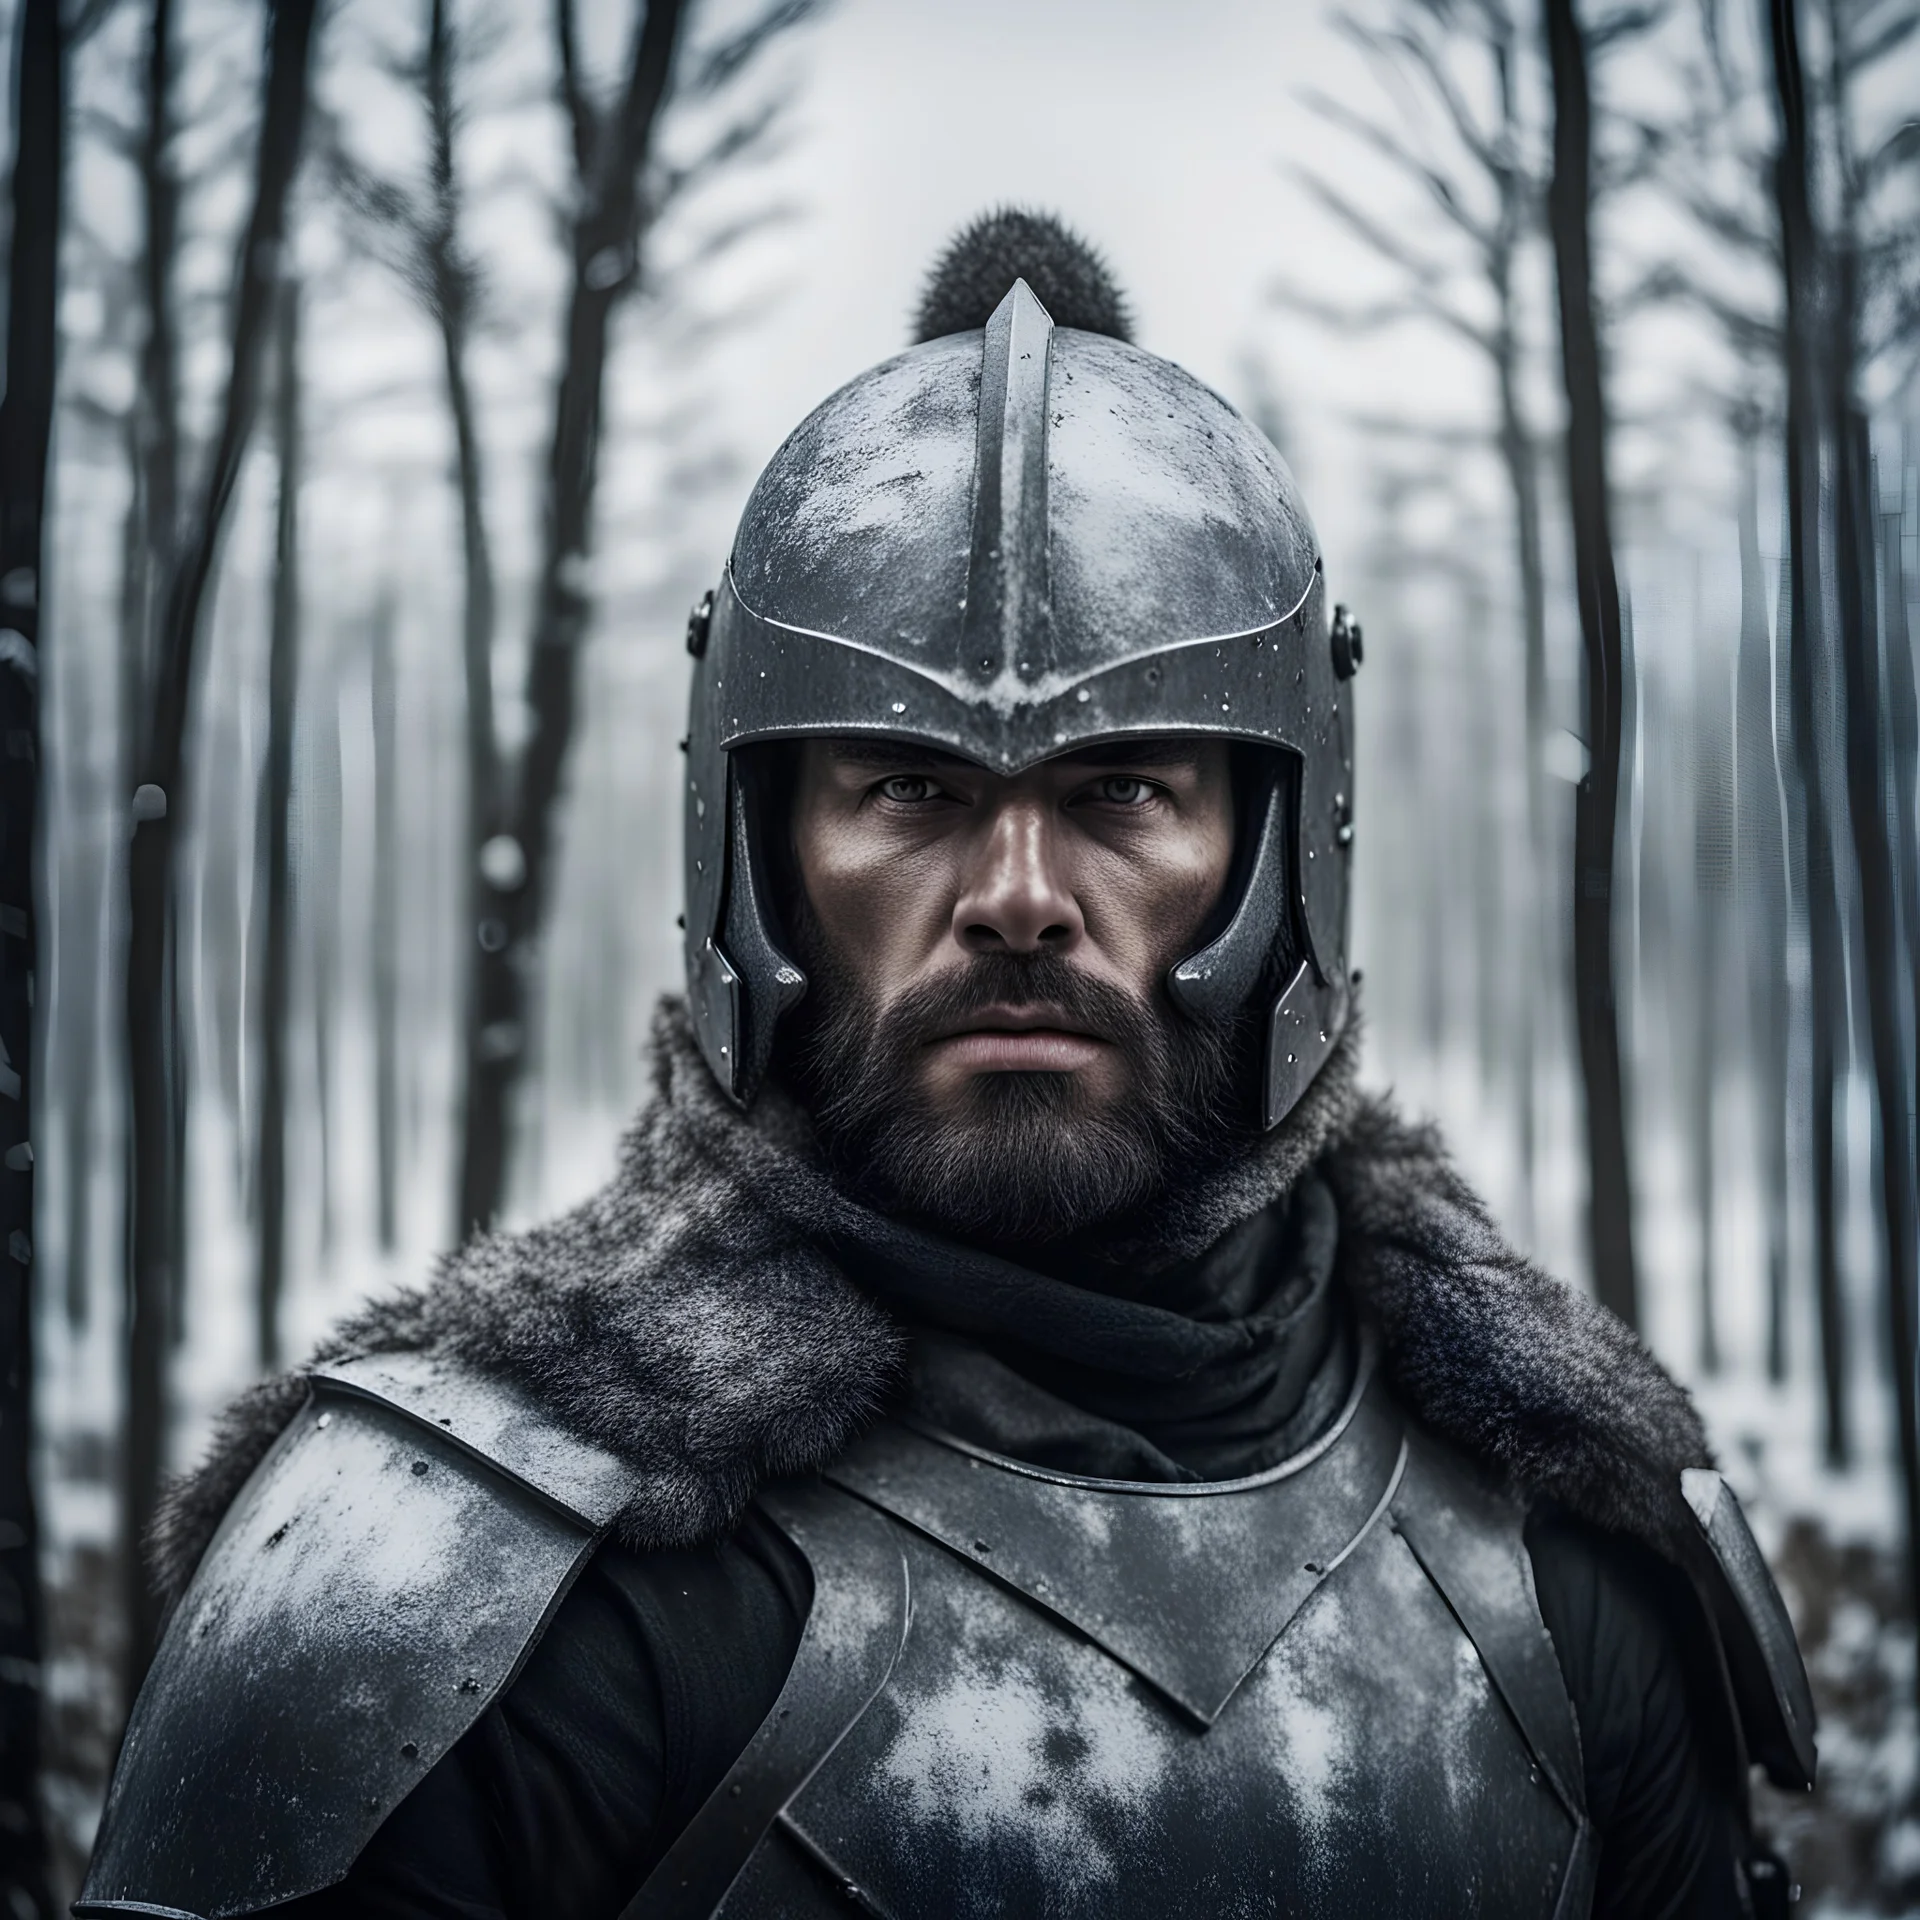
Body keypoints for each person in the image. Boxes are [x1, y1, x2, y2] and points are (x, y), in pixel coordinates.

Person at [80, 212, 1812, 1920]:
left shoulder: (1569, 1557)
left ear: (1282, 852)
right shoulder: (452, 1602)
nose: (1018, 902)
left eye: (1123, 788)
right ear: (760, 854)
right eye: (910, 790)